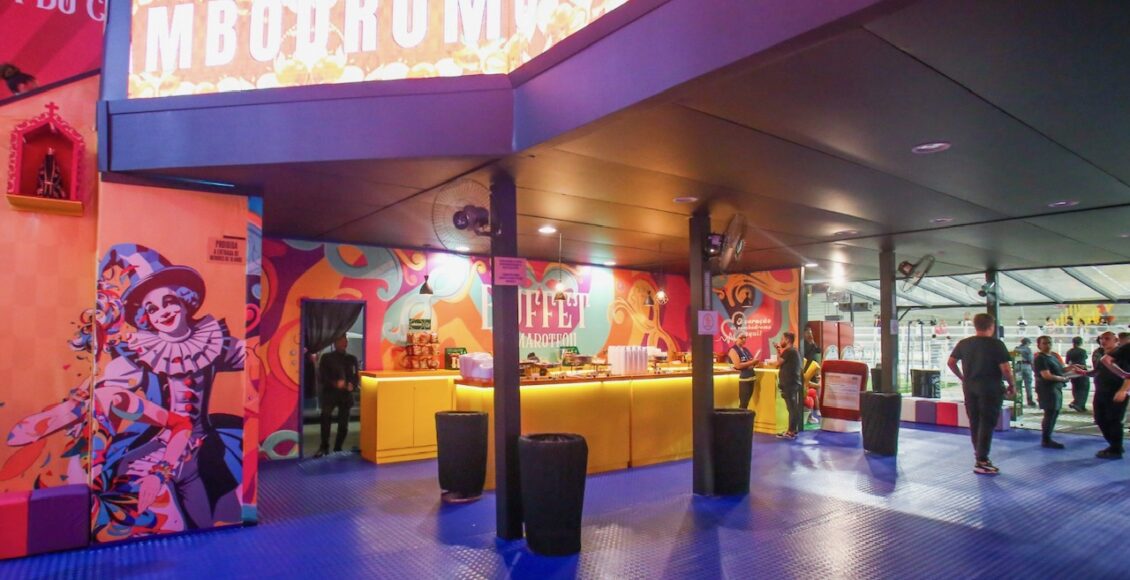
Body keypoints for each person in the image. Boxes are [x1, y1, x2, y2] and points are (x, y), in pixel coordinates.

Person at [947, 313, 1016, 475]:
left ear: (975, 326)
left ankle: (979, 456)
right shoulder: (996, 344)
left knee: (975, 421)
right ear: (992, 326)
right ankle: (982, 460)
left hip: (970, 387)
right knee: (987, 423)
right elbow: (1006, 369)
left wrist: (962, 377)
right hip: (990, 388)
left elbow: (951, 363)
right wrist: (1012, 385)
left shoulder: (964, 343)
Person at [316, 336, 360, 457]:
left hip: (346, 395)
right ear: (335, 343)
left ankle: (338, 448)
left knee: (343, 424)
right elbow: (322, 376)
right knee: (325, 419)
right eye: (341, 341)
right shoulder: (327, 358)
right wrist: (335, 383)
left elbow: (355, 376)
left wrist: (352, 385)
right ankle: (324, 447)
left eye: (345, 341)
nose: (344, 343)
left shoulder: (352, 359)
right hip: (330, 394)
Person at [1033, 335, 1077, 449]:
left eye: (1049, 343)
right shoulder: (1040, 358)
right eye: (1045, 343)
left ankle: (1048, 437)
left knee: (1054, 412)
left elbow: (1060, 370)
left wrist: (1072, 367)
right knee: (1050, 413)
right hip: (1047, 389)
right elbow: (1046, 375)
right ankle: (1046, 439)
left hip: (1055, 388)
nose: (1048, 345)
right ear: (1039, 345)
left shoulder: (1053, 357)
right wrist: (1062, 379)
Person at [1093, 332, 1130, 459]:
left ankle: (1116, 449)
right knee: (1100, 419)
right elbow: (1097, 371)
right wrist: (1083, 372)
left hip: (1115, 392)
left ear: (1116, 341)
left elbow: (1128, 376)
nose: (1103, 341)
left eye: (1107, 339)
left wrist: (1123, 390)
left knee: (1114, 421)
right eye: (1101, 339)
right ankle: (1115, 445)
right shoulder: (1102, 355)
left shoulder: (1122, 354)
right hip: (1101, 392)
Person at [769, 332, 803, 439]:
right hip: (792, 382)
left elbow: (778, 363)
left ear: (787, 340)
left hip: (790, 383)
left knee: (792, 407)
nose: (781, 341)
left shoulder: (789, 351)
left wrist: (777, 351)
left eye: (782, 339)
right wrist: (779, 351)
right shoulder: (793, 351)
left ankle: (791, 431)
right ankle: (792, 429)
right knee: (792, 407)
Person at [727, 332, 758, 409]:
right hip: (743, 379)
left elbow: (752, 361)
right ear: (736, 339)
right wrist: (752, 363)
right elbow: (738, 365)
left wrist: (753, 363)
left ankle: (744, 415)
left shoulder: (745, 349)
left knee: (746, 402)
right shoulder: (733, 350)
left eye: (745, 338)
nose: (744, 340)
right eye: (741, 338)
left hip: (751, 378)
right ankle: (741, 416)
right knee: (743, 402)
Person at [1065, 337, 1091, 412]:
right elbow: (1085, 358)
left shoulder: (1069, 351)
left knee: (1075, 388)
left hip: (1073, 371)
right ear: (1081, 342)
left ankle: (1078, 403)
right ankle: (1078, 404)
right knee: (1084, 388)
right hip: (1082, 371)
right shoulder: (1082, 351)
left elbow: (1067, 362)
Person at [1015, 338, 1036, 407]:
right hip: (1027, 367)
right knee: (1028, 384)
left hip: (1018, 367)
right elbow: (1031, 360)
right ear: (1027, 343)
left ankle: (1018, 400)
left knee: (1018, 385)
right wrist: (1034, 369)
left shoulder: (1016, 349)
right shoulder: (1028, 349)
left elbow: (1014, 358)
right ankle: (1029, 400)